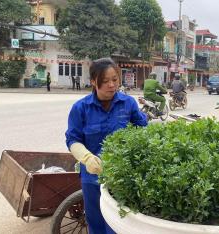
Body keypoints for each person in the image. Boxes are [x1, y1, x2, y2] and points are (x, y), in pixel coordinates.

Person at [65, 58, 148, 234]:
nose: (111, 85)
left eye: (115, 80)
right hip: (92, 176)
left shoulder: (128, 104)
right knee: (96, 223)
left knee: (118, 224)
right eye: (105, 81)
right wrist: (86, 157)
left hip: (121, 177)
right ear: (93, 81)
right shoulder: (80, 108)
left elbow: (143, 129)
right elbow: (72, 139)